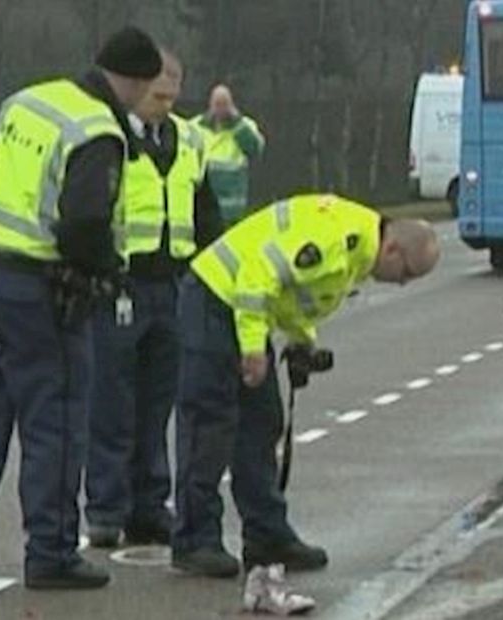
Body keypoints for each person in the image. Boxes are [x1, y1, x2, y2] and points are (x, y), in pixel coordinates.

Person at [0, 27, 162, 590]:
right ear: (138, 83)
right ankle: (51, 550)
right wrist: (106, 273)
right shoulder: (97, 130)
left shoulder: (28, 100)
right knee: (59, 420)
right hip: (47, 291)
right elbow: (85, 223)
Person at [171, 194, 440, 578]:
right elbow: (256, 277)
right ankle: (194, 539)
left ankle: (266, 535)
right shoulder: (334, 241)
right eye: (408, 273)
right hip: (217, 298)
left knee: (262, 423)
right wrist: (252, 350)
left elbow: (290, 294)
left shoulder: (356, 250)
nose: (402, 283)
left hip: (243, 309)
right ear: (393, 248)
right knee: (209, 425)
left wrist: (302, 341)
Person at [84, 51, 224, 549]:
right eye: (156, 95)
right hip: (122, 285)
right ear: (136, 87)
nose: (164, 105)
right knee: (111, 401)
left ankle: (149, 505)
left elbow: (206, 216)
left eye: (172, 95)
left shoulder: (190, 140)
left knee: (159, 402)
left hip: (174, 285)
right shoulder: (109, 137)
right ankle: (104, 507)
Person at [191, 84, 264, 225]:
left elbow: (254, 150)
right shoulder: (195, 126)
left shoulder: (244, 126)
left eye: (225, 104)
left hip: (232, 212)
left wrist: (236, 122)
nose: (221, 108)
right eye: (218, 104)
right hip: (201, 209)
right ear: (210, 104)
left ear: (232, 104)